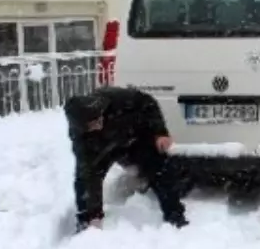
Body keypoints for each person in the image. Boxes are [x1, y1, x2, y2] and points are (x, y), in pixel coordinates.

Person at [64, 87, 188, 233]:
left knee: (160, 168)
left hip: (134, 138)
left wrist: (160, 132)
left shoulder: (117, 99)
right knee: (87, 177)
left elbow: (148, 103)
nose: (98, 125)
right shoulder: (81, 139)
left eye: (98, 119)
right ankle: (88, 223)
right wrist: (91, 216)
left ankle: (174, 215)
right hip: (103, 149)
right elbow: (86, 175)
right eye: (92, 125)